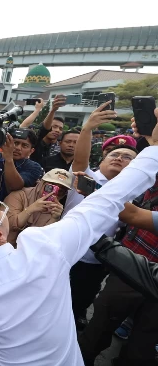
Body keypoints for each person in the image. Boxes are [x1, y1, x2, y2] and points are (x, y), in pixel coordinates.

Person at [0, 119, 158, 365]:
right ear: (0, 233)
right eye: (0, 209)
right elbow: (108, 199)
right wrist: (154, 150)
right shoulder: (45, 246)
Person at [66, 102, 138, 330]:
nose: (119, 158)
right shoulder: (85, 177)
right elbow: (80, 160)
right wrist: (86, 129)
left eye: (128, 157)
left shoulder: (136, 194)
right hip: (66, 252)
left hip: (96, 261)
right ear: (102, 160)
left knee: (82, 299)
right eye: (114, 154)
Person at [4, 168, 72, 245]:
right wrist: (30, 209)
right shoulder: (20, 195)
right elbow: (7, 226)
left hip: (30, 251)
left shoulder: (56, 210)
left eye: (60, 191)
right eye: (50, 187)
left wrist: (54, 218)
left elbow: (45, 240)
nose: (54, 193)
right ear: (40, 183)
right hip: (6, 246)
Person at [0, 129, 43, 201]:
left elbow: (13, 187)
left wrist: (8, 159)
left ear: (31, 151)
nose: (18, 148)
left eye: (24, 145)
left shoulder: (34, 167)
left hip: (10, 209)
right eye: (15, 143)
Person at [20, 95, 66, 165]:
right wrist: (52, 110)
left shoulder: (59, 147)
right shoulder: (35, 141)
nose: (57, 130)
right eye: (54, 126)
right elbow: (23, 127)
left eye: (60, 128)